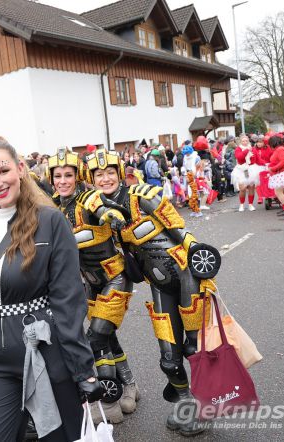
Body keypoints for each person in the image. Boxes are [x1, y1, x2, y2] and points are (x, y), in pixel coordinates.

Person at [0, 136, 102, 442]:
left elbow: (68, 300)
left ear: (20, 169)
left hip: (46, 352)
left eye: (3, 170)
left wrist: (83, 369)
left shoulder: (50, 222)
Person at [93, 151, 220, 436]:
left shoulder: (141, 195)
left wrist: (198, 255)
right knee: (169, 358)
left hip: (186, 275)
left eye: (110, 172)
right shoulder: (101, 213)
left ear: (119, 173)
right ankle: (185, 403)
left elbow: (178, 228)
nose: (105, 178)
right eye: (99, 175)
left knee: (194, 348)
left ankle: (204, 404)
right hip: (159, 285)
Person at [46, 147, 138, 423]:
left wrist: (110, 214)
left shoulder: (89, 198)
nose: (63, 181)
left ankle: (109, 402)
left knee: (95, 339)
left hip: (115, 278)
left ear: (78, 176)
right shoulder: (52, 207)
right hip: (88, 283)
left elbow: (101, 206)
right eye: (58, 176)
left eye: (68, 175)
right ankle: (129, 385)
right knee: (107, 338)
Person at [232, 135, 263, 211]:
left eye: (246, 141)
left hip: (251, 169)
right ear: (240, 142)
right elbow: (239, 157)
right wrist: (246, 150)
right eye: (243, 141)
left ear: (248, 141)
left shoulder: (253, 149)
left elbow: (258, 159)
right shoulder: (238, 149)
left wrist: (266, 165)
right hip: (242, 170)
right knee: (242, 188)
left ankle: (250, 204)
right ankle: (241, 204)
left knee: (251, 187)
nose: (245, 142)